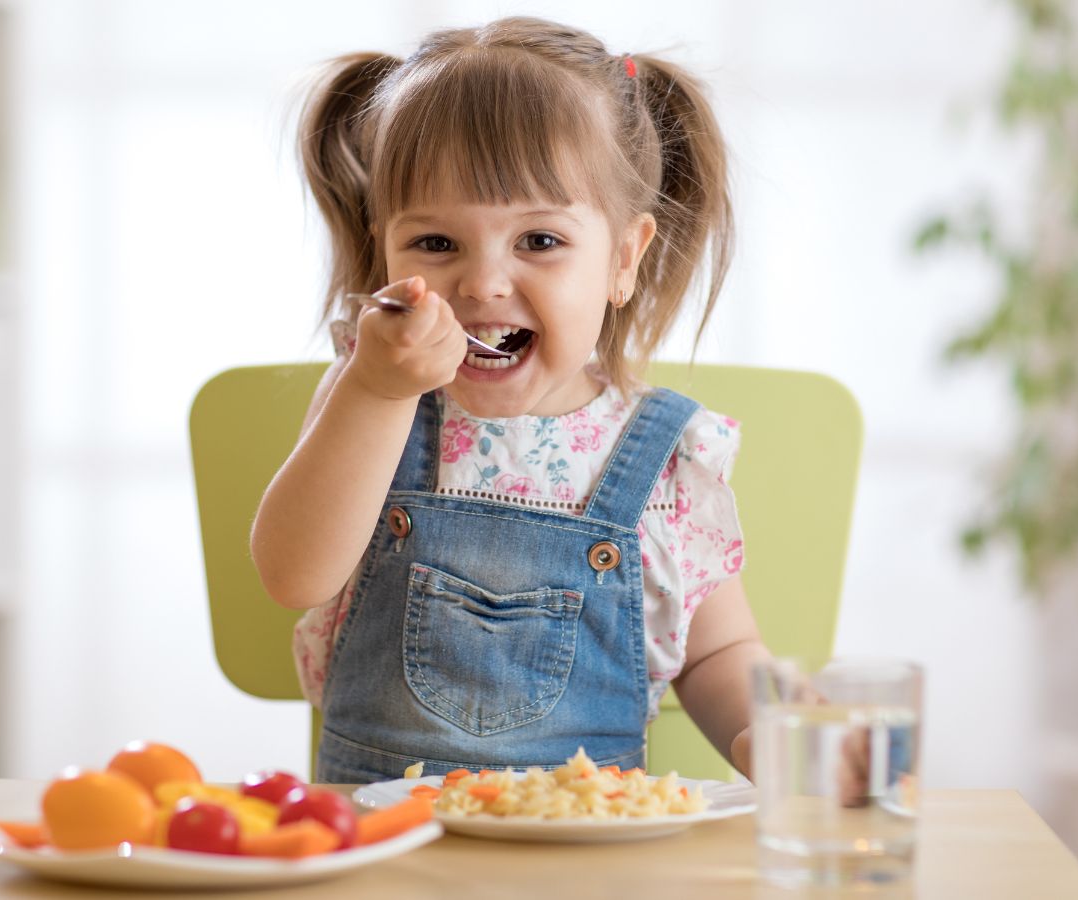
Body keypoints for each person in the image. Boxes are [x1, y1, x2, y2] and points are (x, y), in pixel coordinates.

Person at [251, 16, 776, 784]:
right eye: (436, 243)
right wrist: (374, 387)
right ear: (385, 249)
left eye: (539, 241)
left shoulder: (667, 457)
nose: (483, 284)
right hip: (386, 843)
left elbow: (720, 651)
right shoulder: (371, 402)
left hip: (585, 851)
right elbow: (293, 576)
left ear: (623, 259)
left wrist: (768, 738)